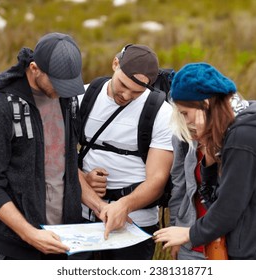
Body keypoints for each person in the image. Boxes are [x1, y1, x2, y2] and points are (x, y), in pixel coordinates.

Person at [154, 62, 256, 260]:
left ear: (206, 104)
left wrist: (189, 234)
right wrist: (209, 156)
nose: (185, 121)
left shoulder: (243, 137)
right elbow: (214, 199)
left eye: (185, 113)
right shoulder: (234, 131)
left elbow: (228, 208)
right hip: (251, 250)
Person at [0, 32, 87, 260]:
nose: (64, 91)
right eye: (58, 83)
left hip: (64, 241)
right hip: (11, 248)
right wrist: (30, 234)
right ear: (34, 68)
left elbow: (65, 161)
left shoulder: (67, 99)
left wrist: (98, 204)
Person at [78, 44, 173, 260]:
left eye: (137, 92)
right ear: (115, 64)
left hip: (135, 225)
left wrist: (124, 205)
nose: (127, 95)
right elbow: (60, 159)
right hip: (82, 220)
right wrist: (85, 181)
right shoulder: (81, 98)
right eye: (123, 85)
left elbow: (157, 180)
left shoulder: (161, 113)